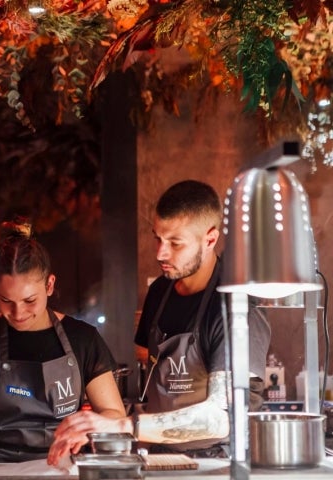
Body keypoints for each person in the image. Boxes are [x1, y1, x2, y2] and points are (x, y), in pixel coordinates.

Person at [47, 180, 271, 465]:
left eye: (175, 243)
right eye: (158, 238)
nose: (160, 254)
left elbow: (222, 417)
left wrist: (124, 424)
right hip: (160, 458)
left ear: (210, 239)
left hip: (220, 462)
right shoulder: (160, 292)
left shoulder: (236, 307)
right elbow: (147, 359)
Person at [0, 221, 126, 473]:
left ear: (49, 285)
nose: (18, 312)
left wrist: (89, 426)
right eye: (6, 300)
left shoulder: (83, 339)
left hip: (61, 468)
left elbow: (115, 415)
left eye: (29, 300)